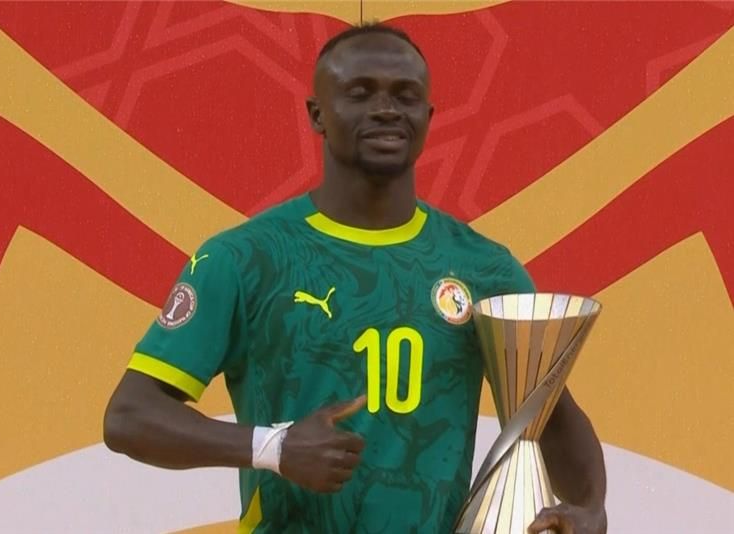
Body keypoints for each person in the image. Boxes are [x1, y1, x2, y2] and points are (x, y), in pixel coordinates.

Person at [104, 23, 607, 533]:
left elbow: (547, 416)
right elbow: (129, 416)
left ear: (428, 116)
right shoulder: (244, 258)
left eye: (406, 96)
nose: (386, 109)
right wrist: (273, 447)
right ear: (317, 114)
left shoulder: (485, 269)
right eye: (360, 92)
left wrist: (590, 506)